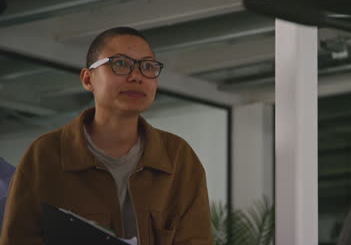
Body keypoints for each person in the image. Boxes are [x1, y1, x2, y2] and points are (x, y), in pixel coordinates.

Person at [0, 27, 213, 245]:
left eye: (148, 66)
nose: (137, 76)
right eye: (120, 64)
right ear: (87, 79)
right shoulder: (45, 156)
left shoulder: (178, 157)